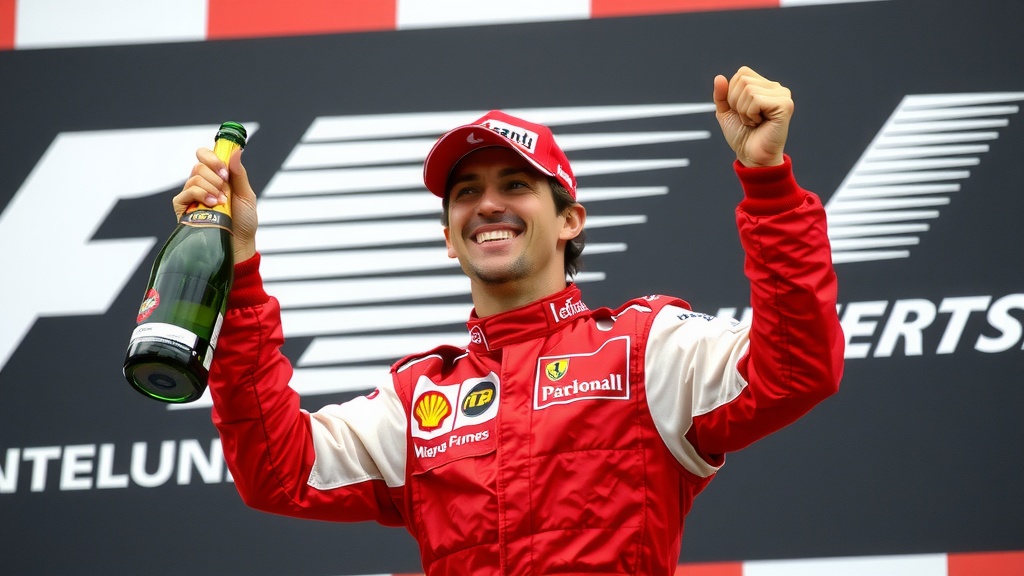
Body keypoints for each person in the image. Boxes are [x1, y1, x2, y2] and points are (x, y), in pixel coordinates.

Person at [177, 66, 844, 575]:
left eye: (516, 185)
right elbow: (277, 470)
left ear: (570, 220)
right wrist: (236, 268)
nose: (488, 204)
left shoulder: (647, 350)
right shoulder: (419, 400)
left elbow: (797, 369)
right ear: (448, 235)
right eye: (467, 193)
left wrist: (767, 183)